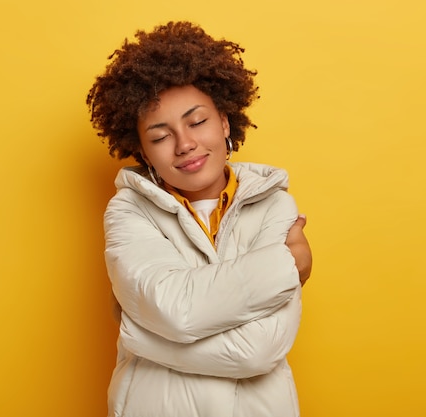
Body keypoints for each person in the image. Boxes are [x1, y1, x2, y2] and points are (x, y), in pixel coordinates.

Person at [87, 21, 312, 417]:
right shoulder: (128, 211)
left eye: (197, 122)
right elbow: (173, 310)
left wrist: (140, 333)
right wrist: (284, 265)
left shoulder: (275, 205)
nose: (184, 143)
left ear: (224, 122)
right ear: (142, 152)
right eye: (160, 137)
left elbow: (259, 349)